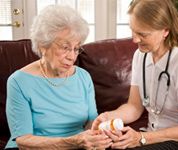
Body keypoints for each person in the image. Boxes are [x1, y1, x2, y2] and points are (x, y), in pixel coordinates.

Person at [92, 0, 178, 149]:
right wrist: (110, 116)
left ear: (165, 31)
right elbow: (134, 107)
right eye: (133, 30)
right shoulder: (140, 56)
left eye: (142, 34)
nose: (135, 39)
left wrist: (141, 138)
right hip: (157, 137)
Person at [5, 5, 112, 150]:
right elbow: (23, 141)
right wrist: (73, 142)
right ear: (43, 46)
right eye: (65, 47)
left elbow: (89, 124)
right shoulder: (18, 81)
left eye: (76, 48)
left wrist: (98, 126)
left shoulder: (83, 77)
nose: (72, 57)